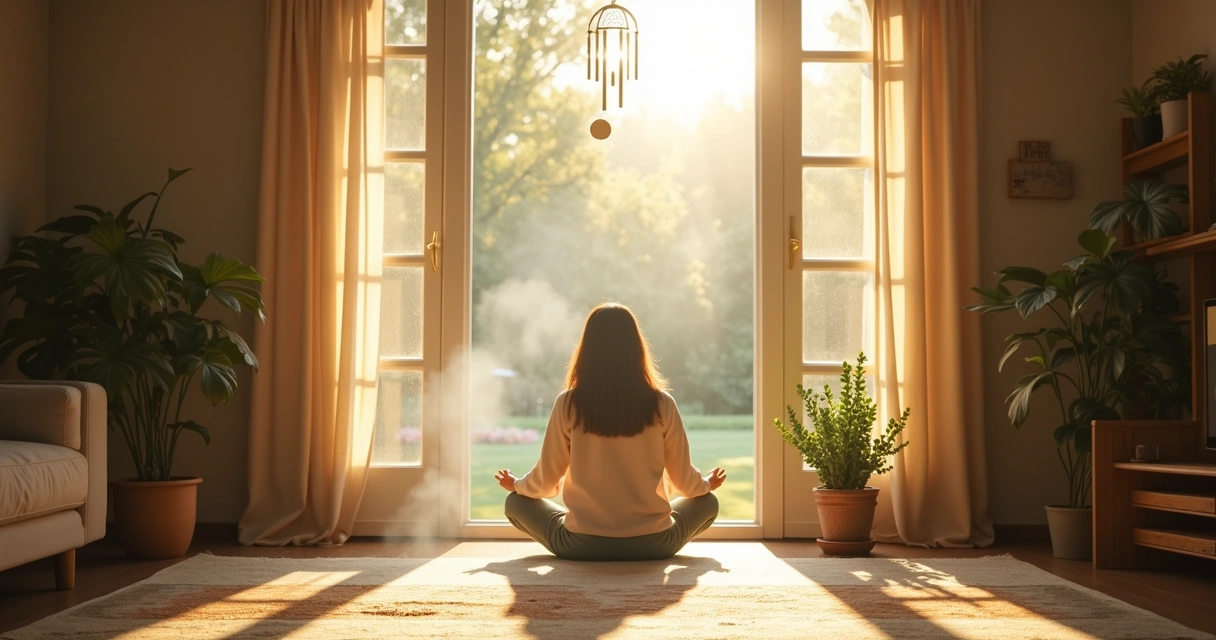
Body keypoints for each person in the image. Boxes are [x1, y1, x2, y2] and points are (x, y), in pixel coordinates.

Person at [495, 302, 726, 561]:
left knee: (515, 503)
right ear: (637, 349)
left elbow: (546, 479)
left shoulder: (568, 403)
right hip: (655, 543)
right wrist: (706, 484)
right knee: (708, 502)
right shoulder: (662, 403)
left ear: (587, 350)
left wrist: (516, 484)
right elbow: (685, 482)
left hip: (580, 545)